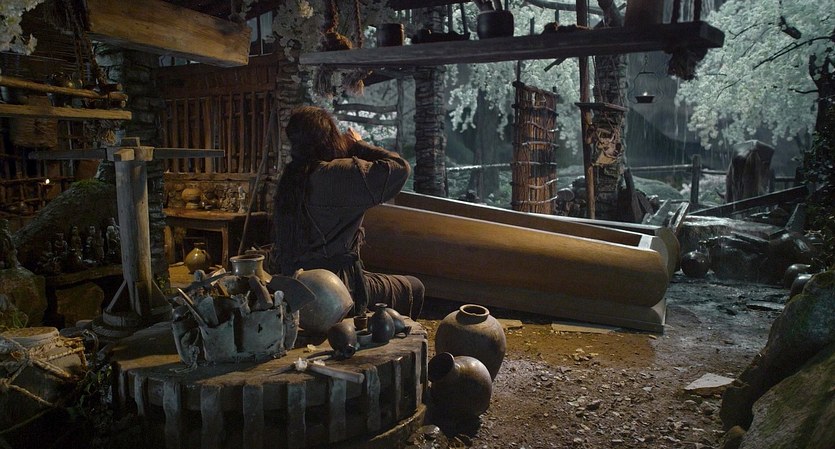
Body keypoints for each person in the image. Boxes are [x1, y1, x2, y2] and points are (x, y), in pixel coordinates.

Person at [272, 106, 424, 319]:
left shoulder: (290, 179)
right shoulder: (335, 175)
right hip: (334, 289)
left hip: (296, 285)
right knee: (414, 287)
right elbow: (400, 168)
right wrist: (358, 145)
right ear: (328, 139)